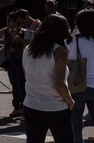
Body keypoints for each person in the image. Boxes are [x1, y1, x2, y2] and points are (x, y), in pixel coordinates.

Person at [23, 14, 74, 143]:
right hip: (55, 106)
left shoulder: (28, 49)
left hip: (31, 104)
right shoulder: (59, 52)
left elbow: (27, 75)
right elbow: (59, 84)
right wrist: (70, 101)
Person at [68, 8, 94, 143]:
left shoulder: (73, 42)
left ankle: (78, 141)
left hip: (78, 81)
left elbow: (67, 58)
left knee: (76, 118)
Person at [0, 12, 26, 118]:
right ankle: (17, 107)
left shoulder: (22, 31)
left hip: (19, 59)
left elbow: (27, 42)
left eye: (10, 20)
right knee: (14, 84)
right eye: (7, 20)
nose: (8, 23)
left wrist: (20, 39)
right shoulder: (7, 31)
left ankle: (23, 107)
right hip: (10, 60)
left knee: (21, 84)